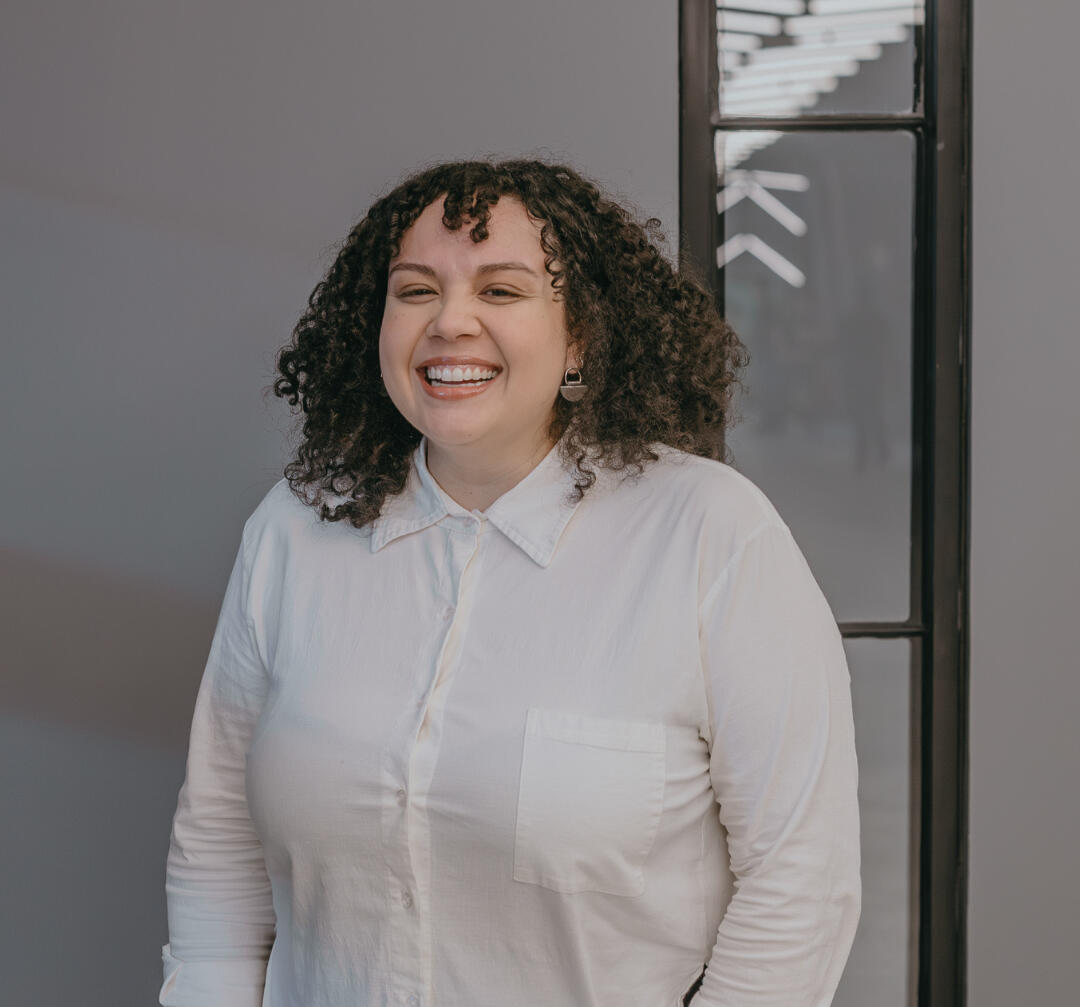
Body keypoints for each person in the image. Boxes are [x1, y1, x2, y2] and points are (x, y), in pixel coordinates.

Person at [159, 158, 861, 1007]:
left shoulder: (712, 536)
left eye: (501, 290)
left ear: (580, 336)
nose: (450, 322)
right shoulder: (292, 531)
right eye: (415, 291)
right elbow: (219, 849)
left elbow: (801, 881)